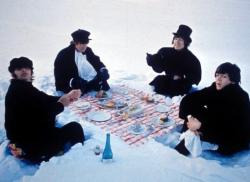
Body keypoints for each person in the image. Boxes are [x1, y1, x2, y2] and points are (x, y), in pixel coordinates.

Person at [5, 57, 85, 163]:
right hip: (28, 143)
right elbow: (40, 115)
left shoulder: (24, 87)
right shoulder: (18, 91)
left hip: (31, 136)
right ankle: (75, 158)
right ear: (14, 72)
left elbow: (45, 99)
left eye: (26, 67)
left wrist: (68, 96)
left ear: (31, 71)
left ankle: (56, 150)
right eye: (19, 68)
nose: (24, 70)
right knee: (75, 128)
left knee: (68, 128)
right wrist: (61, 104)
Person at [176, 62, 250, 156]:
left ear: (233, 80)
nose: (218, 79)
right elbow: (189, 100)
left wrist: (200, 126)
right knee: (195, 109)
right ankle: (194, 136)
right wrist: (190, 118)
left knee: (192, 136)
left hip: (232, 135)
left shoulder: (240, 97)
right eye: (217, 75)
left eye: (224, 76)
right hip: (213, 125)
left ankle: (196, 143)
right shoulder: (215, 88)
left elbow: (229, 125)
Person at [146, 24, 201, 97]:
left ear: (186, 42)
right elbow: (159, 70)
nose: (177, 42)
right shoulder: (164, 51)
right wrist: (153, 61)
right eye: (176, 39)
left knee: (178, 88)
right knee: (159, 82)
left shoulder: (191, 58)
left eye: (181, 40)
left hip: (181, 83)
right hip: (168, 80)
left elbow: (196, 78)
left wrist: (181, 78)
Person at [54, 29, 110, 94]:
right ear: (75, 43)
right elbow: (60, 75)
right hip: (74, 85)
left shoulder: (88, 50)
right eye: (81, 43)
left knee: (102, 79)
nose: (84, 46)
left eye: (85, 43)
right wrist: (72, 82)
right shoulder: (64, 54)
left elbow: (96, 61)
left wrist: (103, 69)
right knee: (78, 84)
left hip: (89, 81)